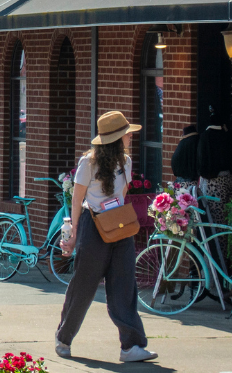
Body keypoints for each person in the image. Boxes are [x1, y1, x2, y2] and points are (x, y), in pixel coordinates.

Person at [55, 111, 156, 362]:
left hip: (120, 224)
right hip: (93, 223)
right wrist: (73, 232)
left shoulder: (127, 162)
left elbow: (121, 194)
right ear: (115, 139)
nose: (130, 136)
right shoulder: (88, 163)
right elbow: (77, 200)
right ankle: (63, 338)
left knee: (124, 284)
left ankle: (131, 346)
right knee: (84, 285)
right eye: (126, 134)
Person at [197, 109, 232, 224]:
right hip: (227, 179)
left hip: (212, 183)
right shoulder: (227, 135)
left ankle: (217, 242)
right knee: (229, 216)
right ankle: (228, 241)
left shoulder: (205, 137)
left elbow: (201, 162)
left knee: (214, 218)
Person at [170, 125, 199, 194]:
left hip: (180, 183)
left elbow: (174, 165)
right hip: (194, 184)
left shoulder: (181, 146)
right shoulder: (197, 142)